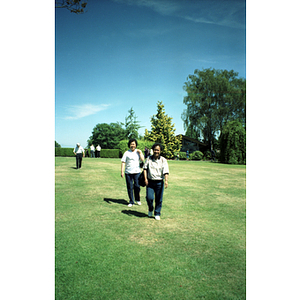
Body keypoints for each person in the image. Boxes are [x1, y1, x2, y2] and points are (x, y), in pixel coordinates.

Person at [143, 143, 169, 220]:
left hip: (159, 182)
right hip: (150, 182)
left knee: (159, 199)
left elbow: (166, 171)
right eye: (155, 150)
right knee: (149, 197)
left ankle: (157, 213)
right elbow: (145, 169)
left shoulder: (163, 160)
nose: (156, 151)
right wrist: (145, 179)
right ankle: (150, 209)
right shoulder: (148, 159)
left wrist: (166, 181)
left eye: (158, 150)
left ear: (160, 151)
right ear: (152, 150)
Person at [121, 138, 145, 207]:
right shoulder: (126, 153)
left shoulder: (138, 152)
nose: (132, 145)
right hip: (128, 172)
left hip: (137, 172)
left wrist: (140, 152)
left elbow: (142, 159)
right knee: (130, 187)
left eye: (134, 144)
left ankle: (137, 199)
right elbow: (123, 162)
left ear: (136, 145)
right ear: (129, 145)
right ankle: (131, 201)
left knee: (137, 186)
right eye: (131, 144)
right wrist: (122, 171)